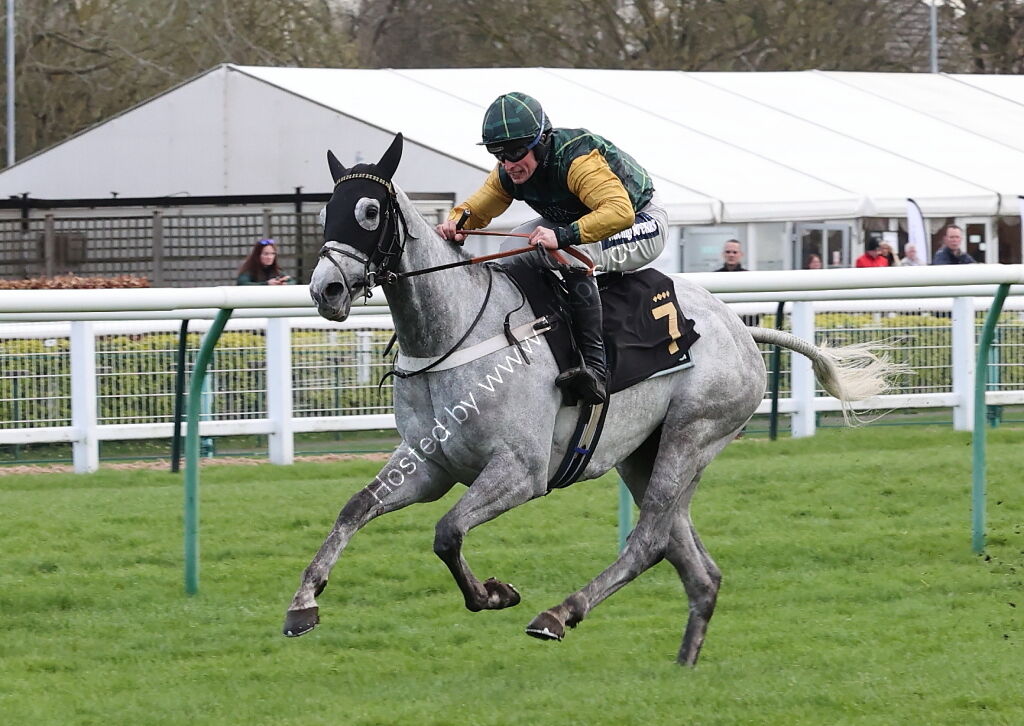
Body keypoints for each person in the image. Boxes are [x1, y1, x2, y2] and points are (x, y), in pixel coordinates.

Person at [435, 92, 667, 405]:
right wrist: (455, 222)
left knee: (572, 253)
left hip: (640, 221)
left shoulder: (577, 160)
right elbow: (477, 208)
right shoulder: (507, 171)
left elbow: (619, 212)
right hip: (583, 220)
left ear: (542, 141)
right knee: (511, 249)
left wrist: (564, 235)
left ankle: (596, 370)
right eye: (498, 153)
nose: (509, 164)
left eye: (516, 152)